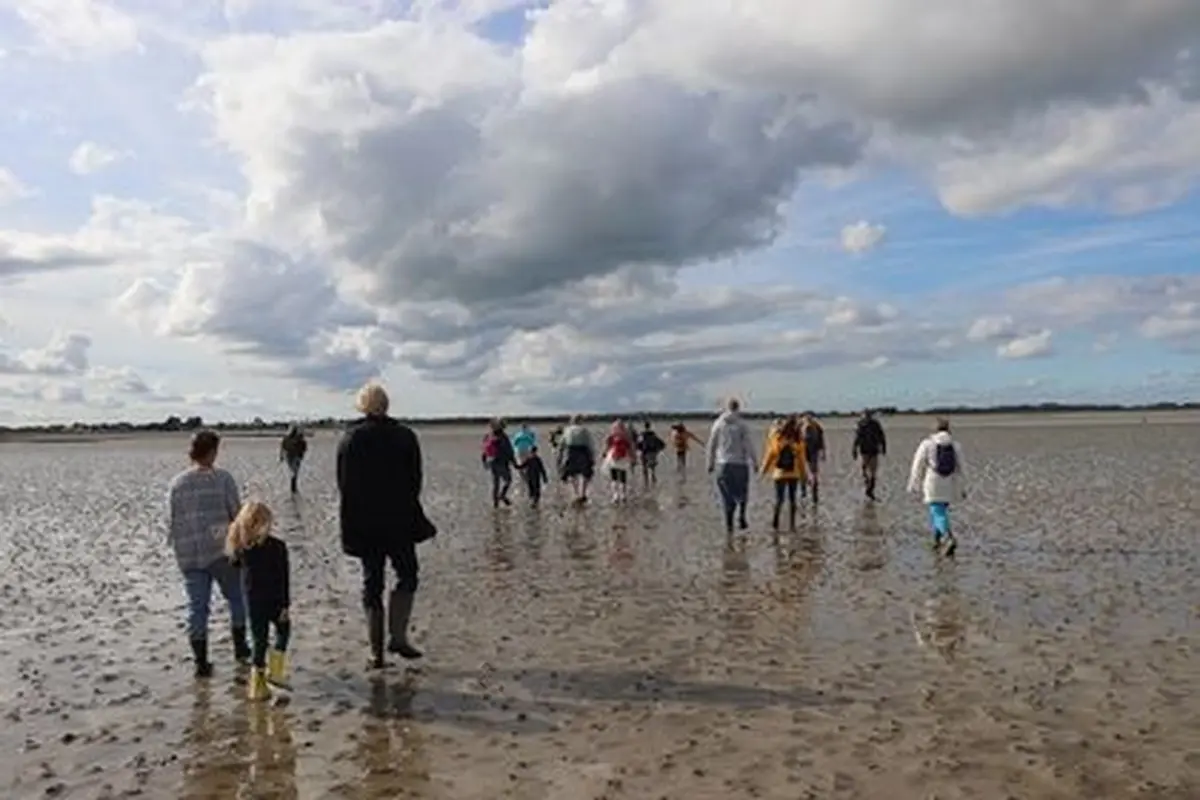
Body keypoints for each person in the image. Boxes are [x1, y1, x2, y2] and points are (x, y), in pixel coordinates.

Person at [337, 383, 436, 668]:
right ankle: (398, 636)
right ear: (387, 405)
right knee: (407, 575)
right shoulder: (405, 436)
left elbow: (344, 484)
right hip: (399, 519)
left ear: (361, 406)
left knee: (372, 583)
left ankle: (376, 652)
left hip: (365, 522)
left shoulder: (351, 438)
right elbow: (416, 480)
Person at [166, 430, 249, 678]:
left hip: (189, 552)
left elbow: (171, 520)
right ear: (211, 451)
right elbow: (237, 514)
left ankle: (201, 662)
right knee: (236, 597)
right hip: (220, 549)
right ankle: (241, 649)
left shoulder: (177, 483)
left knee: (197, 607)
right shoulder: (222, 479)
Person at [226, 500, 291, 701]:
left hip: (253, 602)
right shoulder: (278, 546)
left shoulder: (242, 549)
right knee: (283, 631)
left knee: (258, 641)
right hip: (275, 599)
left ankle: (257, 686)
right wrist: (285, 604)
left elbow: (234, 564)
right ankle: (276, 671)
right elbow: (284, 576)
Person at [907, 418, 967, 556]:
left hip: (933, 482)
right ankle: (937, 540)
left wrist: (913, 483)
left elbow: (917, 465)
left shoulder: (927, 444)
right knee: (940, 510)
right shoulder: (955, 445)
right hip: (949, 483)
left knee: (937, 511)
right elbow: (962, 467)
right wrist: (963, 486)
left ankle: (948, 537)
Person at [706, 398, 757, 533]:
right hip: (740, 463)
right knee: (743, 492)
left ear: (726, 408)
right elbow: (748, 445)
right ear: (738, 408)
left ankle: (729, 527)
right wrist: (755, 462)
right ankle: (741, 515)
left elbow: (712, 444)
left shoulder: (718, 424)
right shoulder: (742, 425)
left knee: (726, 496)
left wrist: (710, 463)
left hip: (723, 463)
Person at [760, 415, 806, 531]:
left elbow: (770, 455)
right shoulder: (798, 440)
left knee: (779, 500)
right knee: (792, 499)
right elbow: (801, 460)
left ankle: (775, 523)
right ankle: (792, 524)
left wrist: (763, 471)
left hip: (779, 474)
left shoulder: (778, 438)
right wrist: (804, 475)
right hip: (793, 474)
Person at [559, 415, 596, 504]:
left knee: (572, 474)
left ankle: (576, 493)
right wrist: (592, 456)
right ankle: (583, 493)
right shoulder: (584, 430)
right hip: (583, 451)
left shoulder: (567, 430)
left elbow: (562, 443)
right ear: (581, 421)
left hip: (571, 452)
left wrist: (560, 456)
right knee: (586, 474)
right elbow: (590, 444)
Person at [852, 409, 887, 501]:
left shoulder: (873, 424)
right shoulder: (862, 425)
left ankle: (870, 488)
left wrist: (883, 447)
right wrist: (854, 449)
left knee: (871, 471)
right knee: (866, 470)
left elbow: (881, 436)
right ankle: (869, 485)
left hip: (872, 450)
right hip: (865, 450)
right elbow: (857, 438)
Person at [482, 419, 516, 508]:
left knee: (495, 484)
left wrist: (484, 462)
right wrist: (514, 463)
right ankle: (502, 495)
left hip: (492, 462)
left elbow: (484, 450)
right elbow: (509, 451)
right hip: (502, 463)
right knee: (508, 480)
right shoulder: (503, 437)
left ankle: (495, 504)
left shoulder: (488, 436)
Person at [602, 419, 637, 503]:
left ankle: (615, 495)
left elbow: (606, 447)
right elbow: (631, 448)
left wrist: (604, 454)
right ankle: (623, 495)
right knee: (622, 477)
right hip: (623, 458)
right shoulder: (626, 436)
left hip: (613, 458)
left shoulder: (611, 436)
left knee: (614, 477)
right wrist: (633, 458)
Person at [800, 412, 826, 505]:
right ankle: (813, 493)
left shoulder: (802, 425)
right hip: (812, 451)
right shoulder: (816, 426)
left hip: (805, 451)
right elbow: (821, 441)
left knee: (803, 472)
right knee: (813, 472)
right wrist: (823, 452)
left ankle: (804, 492)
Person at [279, 424, 308, 494]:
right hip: (291, 456)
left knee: (294, 471)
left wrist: (281, 455)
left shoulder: (299, 438)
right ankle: (293, 486)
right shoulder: (288, 438)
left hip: (296, 456)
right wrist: (281, 455)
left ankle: (293, 487)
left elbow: (304, 448)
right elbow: (283, 447)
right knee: (294, 471)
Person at [636, 421, 666, 487]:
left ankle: (646, 482)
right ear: (650, 426)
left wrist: (639, 450)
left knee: (644, 468)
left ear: (644, 426)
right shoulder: (653, 434)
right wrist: (658, 450)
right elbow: (662, 444)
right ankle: (653, 478)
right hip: (653, 453)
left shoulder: (642, 434)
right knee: (652, 467)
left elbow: (638, 444)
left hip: (644, 452)